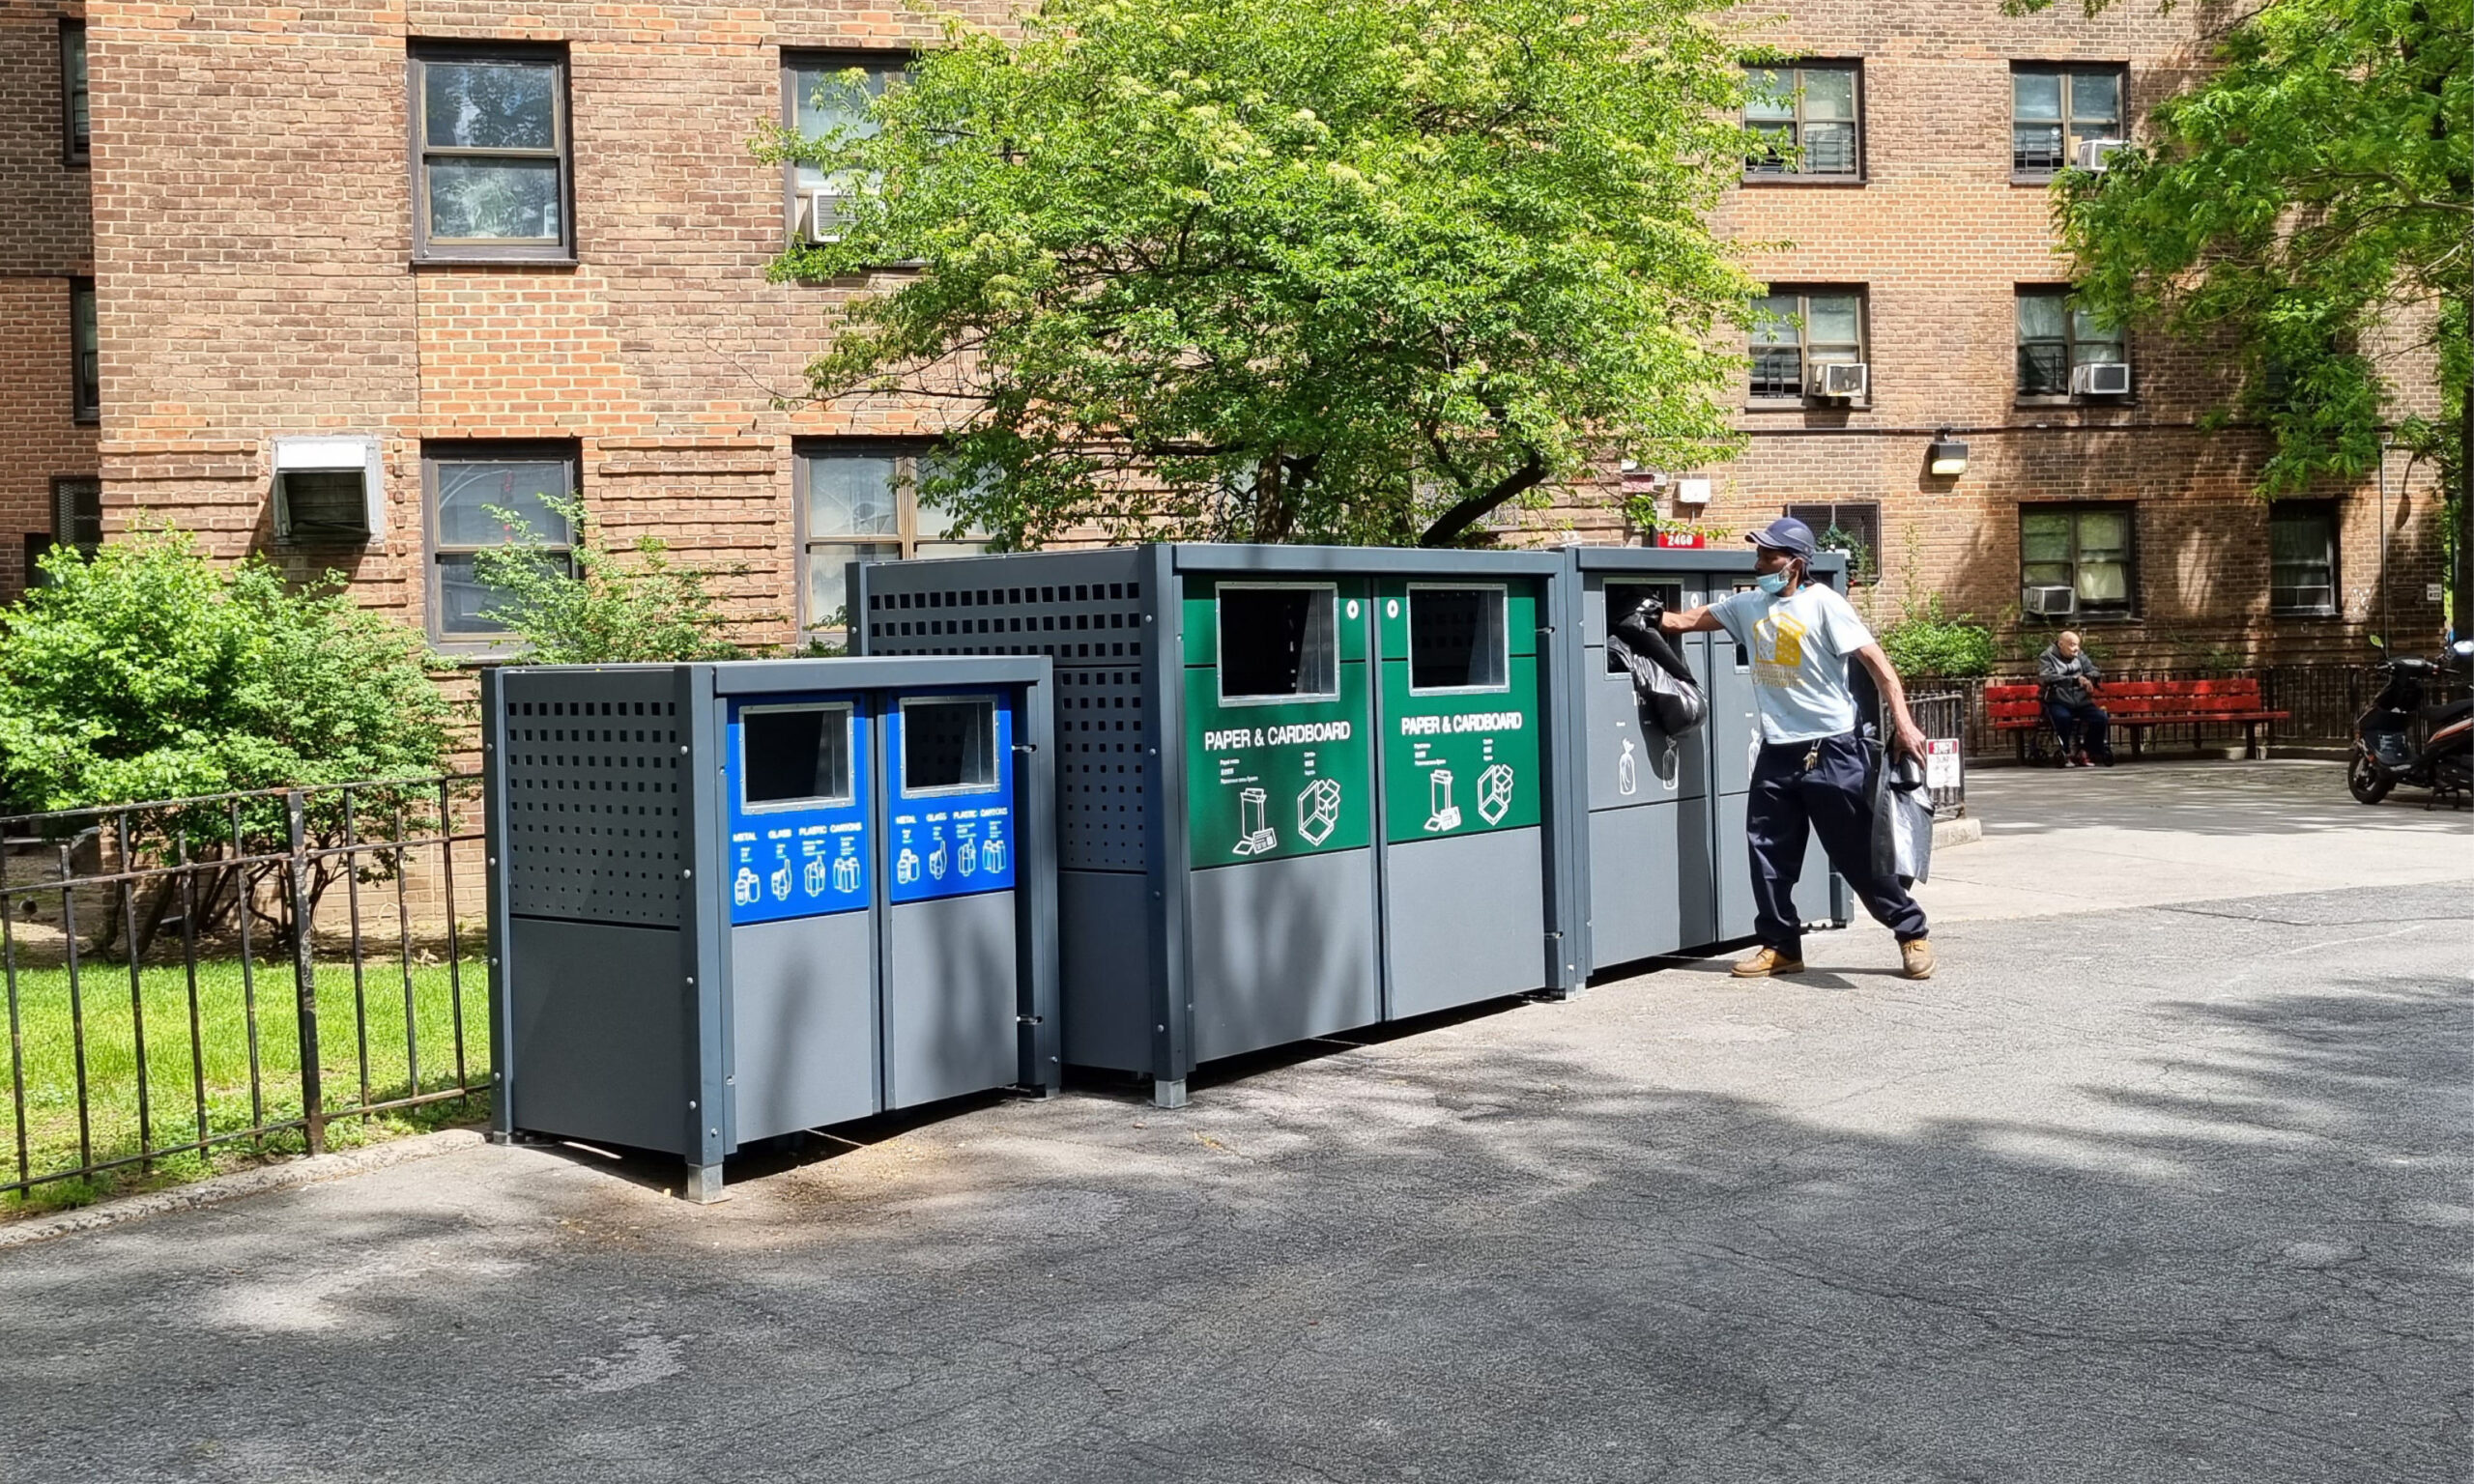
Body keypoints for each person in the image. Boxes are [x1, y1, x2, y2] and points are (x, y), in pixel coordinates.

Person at [1659, 517, 1935, 981]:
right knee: (1767, 851)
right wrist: (1636, 615)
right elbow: (1684, 621)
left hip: (1832, 748)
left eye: (1770, 555)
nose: (1761, 562)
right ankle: (1781, 946)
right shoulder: (1748, 605)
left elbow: (1878, 664)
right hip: (1778, 750)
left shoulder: (1826, 604)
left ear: (1796, 563)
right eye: (1760, 553)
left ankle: (1911, 932)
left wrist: (1904, 724)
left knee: (1856, 853)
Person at [2036, 631, 2113, 766]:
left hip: (2081, 700)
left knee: (2100, 718)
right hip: (2059, 700)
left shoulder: (2080, 656)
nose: (2076, 648)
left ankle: (2086, 751)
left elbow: (2094, 670)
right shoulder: (2047, 656)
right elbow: (2046, 677)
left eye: (2077, 645)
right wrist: (2074, 680)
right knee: (2063, 718)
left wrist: (2089, 679)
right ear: (2061, 644)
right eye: (2072, 645)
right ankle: (2067, 752)